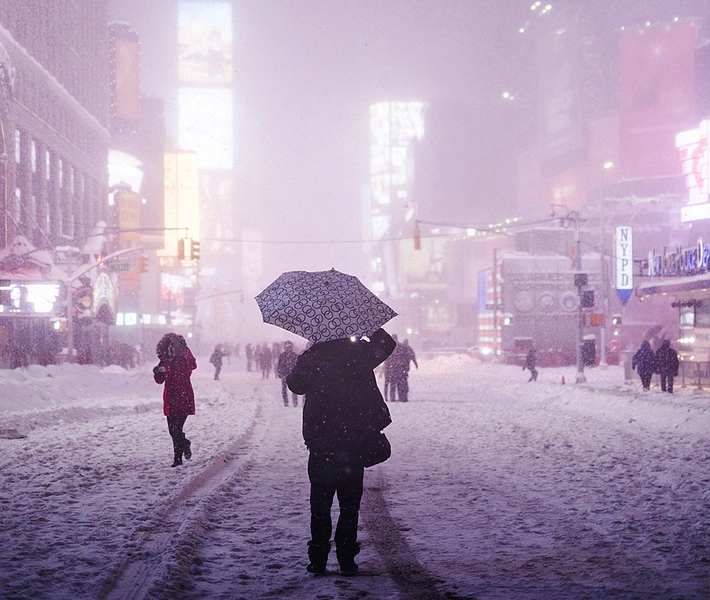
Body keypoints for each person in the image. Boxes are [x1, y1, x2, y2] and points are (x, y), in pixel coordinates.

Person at [287, 328, 396, 577]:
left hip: (322, 442)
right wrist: (366, 326)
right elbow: (387, 344)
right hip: (353, 441)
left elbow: (295, 385)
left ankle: (318, 559)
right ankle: (347, 559)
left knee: (320, 505)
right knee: (349, 506)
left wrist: (306, 357)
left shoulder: (313, 358)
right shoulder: (359, 353)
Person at [153, 333, 197, 467]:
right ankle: (184, 444)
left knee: (176, 429)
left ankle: (177, 459)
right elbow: (160, 381)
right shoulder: (165, 360)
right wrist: (158, 372)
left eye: (175, 345)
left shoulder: (184, 357)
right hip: (170, 398)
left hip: (184, 397)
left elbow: (193, 365)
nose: (172, 348)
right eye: (170, 345)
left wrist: (185, 349)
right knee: (173, 431)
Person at [276, 341, 300, 406]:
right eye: (287, 347)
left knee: (294, 388)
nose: (288, 349)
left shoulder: (295, 355)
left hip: (292, 374)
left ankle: (295, 401)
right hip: (284, 373)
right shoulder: (282, 355)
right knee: (284, 388)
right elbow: (279, 365)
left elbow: (297, 365)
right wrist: (279, 372)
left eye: (289, 347)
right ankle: (286, 401)